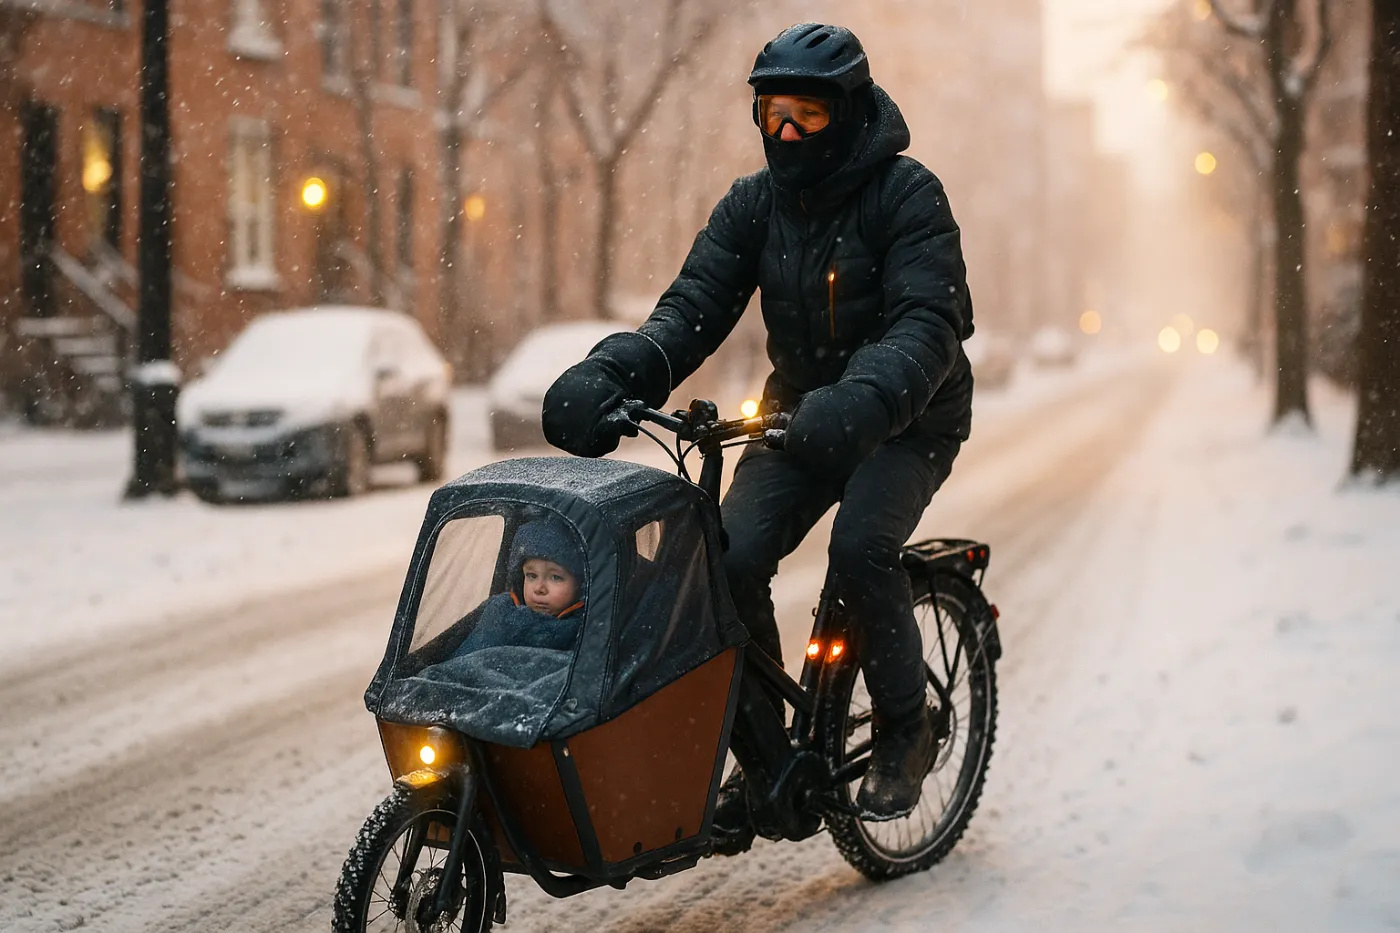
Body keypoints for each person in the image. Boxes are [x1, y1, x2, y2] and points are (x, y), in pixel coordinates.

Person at [542, 23, 975, 847]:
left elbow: (928, 322)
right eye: (772, 113)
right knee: (725, 562)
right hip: (800, 415)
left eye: (805, 117)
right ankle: (773, 760)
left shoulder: (908, 195)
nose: (785, 134)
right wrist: (617, 370)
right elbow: (691, 308)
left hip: (909, 418)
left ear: (847, 114)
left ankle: (904, 725)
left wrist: (866, 396)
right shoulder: (754, 206)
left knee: (859, 550)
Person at [444, 517, 586, 658]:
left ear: (581, 584)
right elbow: (461, 655)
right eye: (531, 575)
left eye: (555, 577)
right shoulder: (500, 610)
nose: (539, 588)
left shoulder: (583, 628)